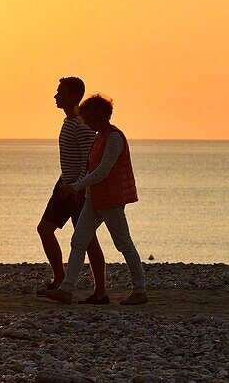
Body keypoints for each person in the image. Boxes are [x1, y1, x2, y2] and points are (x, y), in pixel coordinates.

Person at [42, 94, 148, 305]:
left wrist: (76, 186)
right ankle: (66, 290)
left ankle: (140, 290)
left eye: (87, 116)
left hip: (110, 201)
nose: (84, 121)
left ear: (97, 115)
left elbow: (102, 171)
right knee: (79, 241)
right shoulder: (99, 137)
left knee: (123, 243)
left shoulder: (114, 138)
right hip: (94, 199)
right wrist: (83, 190)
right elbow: (93, 169)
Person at [37, 77, 108, 302]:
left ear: (74, 96)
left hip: (77, 188)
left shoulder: (81, 124)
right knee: (45, 228)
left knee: (87, 239)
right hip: (64, 184)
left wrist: (78, 186)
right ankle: (59, 279)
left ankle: (100, 291)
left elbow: (90, 158)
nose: (56, 96)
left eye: (60, 92)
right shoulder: (69, 121)